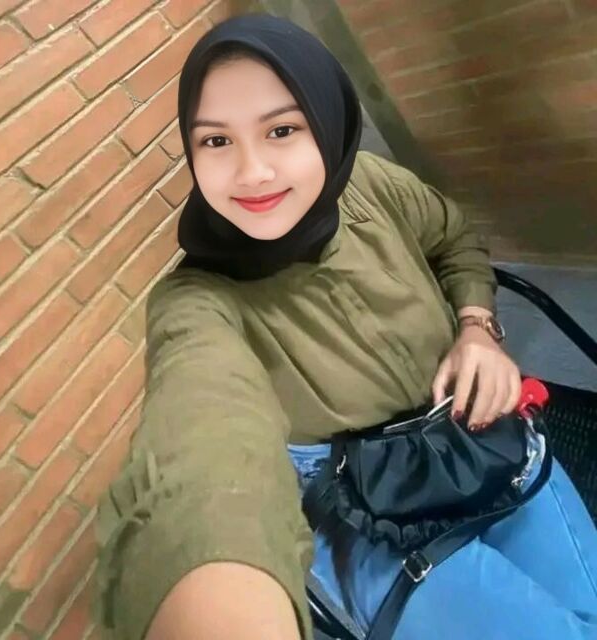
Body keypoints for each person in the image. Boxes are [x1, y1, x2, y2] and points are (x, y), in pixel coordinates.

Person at [94, 14, 597, 640]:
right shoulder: (198, 301)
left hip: (472, 428)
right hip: (359, 508)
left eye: (281, 130)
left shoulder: (369, 185)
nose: (252, 172)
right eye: (216, 141)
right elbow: (200, 448)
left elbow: (453, 239)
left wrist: (476, 327)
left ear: (327, 123)